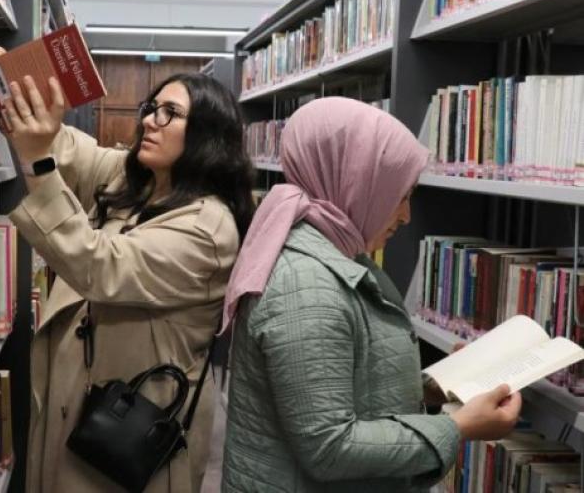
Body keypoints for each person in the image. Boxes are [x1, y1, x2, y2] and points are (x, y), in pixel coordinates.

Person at [0, 35, 255, 493]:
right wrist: (13, 79)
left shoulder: (209, 230)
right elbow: (72, 150)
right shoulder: (141, 182)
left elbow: (100, 266)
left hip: (129, 434)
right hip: (84, 412)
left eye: (171, 113)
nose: (150, 121)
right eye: (151, 108)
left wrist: (39, 161)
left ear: (208, 136)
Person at [220, 97, 521, 493]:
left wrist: (436, 384)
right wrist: (457, 427)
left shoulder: (332, 250)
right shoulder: (306, 285)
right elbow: (329, 446)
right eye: (401, 195)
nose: (406, 216)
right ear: (357, 183)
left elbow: (336, 378)